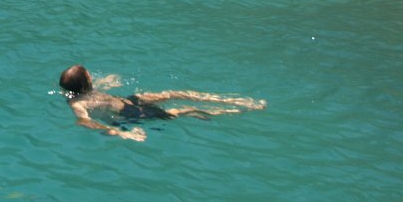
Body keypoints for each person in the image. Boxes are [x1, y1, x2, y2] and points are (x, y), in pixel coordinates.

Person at [59, 64, 266, 142]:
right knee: (183, 109)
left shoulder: (81, 94)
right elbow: (84, 123)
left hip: (127, 102)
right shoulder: (77, 105)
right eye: (88, 74)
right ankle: (234, 108)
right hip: (128, 115)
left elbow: (96, 94)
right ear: (86, 81)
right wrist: (123, 133)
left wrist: (108, 82)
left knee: (172, 94)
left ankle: (229, 99)